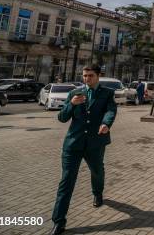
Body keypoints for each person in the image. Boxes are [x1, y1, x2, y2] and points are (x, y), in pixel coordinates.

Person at [49, 64, 117, 235]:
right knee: (66, 181)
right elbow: (62, 117)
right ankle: (59, 221)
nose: (87, 79)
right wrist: (71, 105)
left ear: (98, 76)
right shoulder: (74, 94)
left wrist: (106, 124)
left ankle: (97, 193)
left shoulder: (107, 93)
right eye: (84, 76)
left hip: (95, 143)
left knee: (97, 171)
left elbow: (110, 110)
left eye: (90, 76)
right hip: (73, 144)